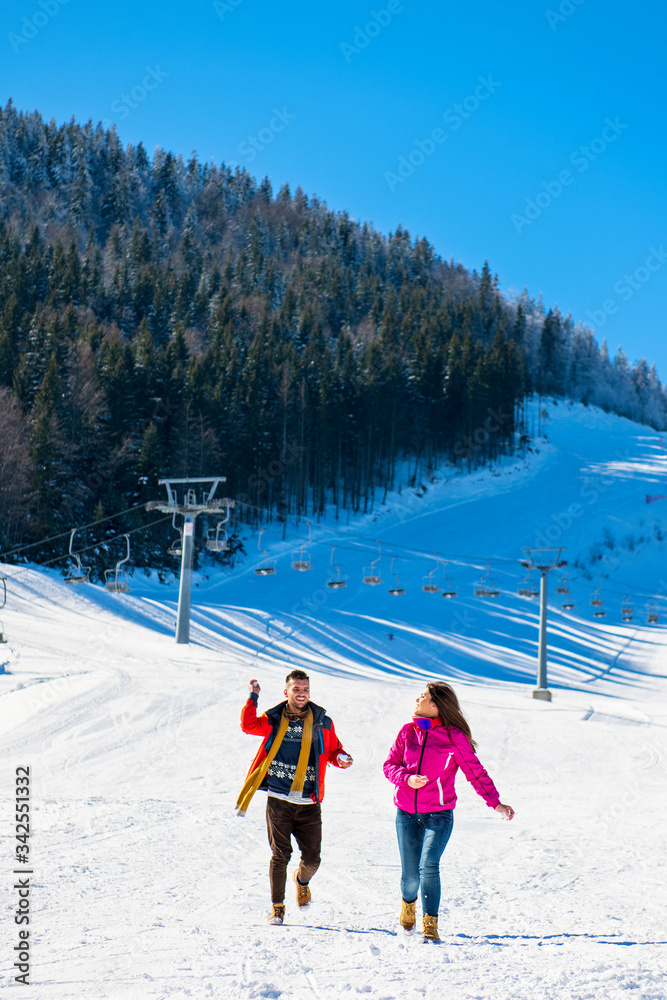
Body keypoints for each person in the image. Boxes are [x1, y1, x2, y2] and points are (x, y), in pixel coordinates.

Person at [383, 682, 514, 943]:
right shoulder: (407, 732)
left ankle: (430, 925)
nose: (417, 698)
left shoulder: (454, 737)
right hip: (406, 813)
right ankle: (408, 903)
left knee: (428, 866)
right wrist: (406, 779)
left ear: (435, 705)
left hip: (439, 815)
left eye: (423, 696)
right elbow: (389, 765)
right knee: (410, 877)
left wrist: (495, 802)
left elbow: (475, 772)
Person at [236, 669, 353, 925]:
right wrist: (253, 697)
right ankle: (277, 908)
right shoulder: (275, 718)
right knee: (280, 855)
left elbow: (334, 749)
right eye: (296, 689)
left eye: (305, 689)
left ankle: (302, 881)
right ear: (286, 691)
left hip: (309, 801)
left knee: (312, 859)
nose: (301, 694)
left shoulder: (323, 721)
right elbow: (248, 726)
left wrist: (340, 758)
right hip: (279, 798)